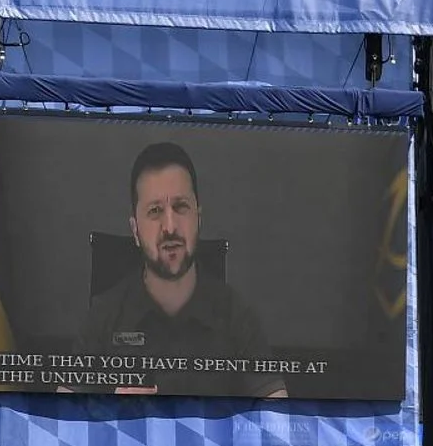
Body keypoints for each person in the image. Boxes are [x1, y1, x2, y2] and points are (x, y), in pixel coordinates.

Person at [79, 141, 285, 399]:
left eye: (180, 207)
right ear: (135, 230)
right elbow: (62, 424)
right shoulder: (102, 318)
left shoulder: (236, 317)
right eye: (155, 211)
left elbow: (277, 417)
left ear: (198, 218)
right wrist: (110, 413)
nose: (170, 226)